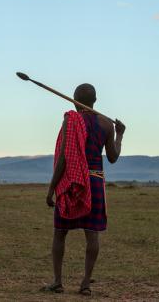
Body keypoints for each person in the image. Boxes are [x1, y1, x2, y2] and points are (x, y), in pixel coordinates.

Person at [42, 83, 125, 296]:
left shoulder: (71, 119)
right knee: (92, 235)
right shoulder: (106, 124)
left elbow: (64, 157)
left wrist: (52, 189)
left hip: (72, 182)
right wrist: (120, 135)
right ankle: (85, 284)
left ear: (74, 100)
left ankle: (57, 281)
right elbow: (113, 157)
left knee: (60, 233)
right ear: (95, 101)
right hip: (95, 181)